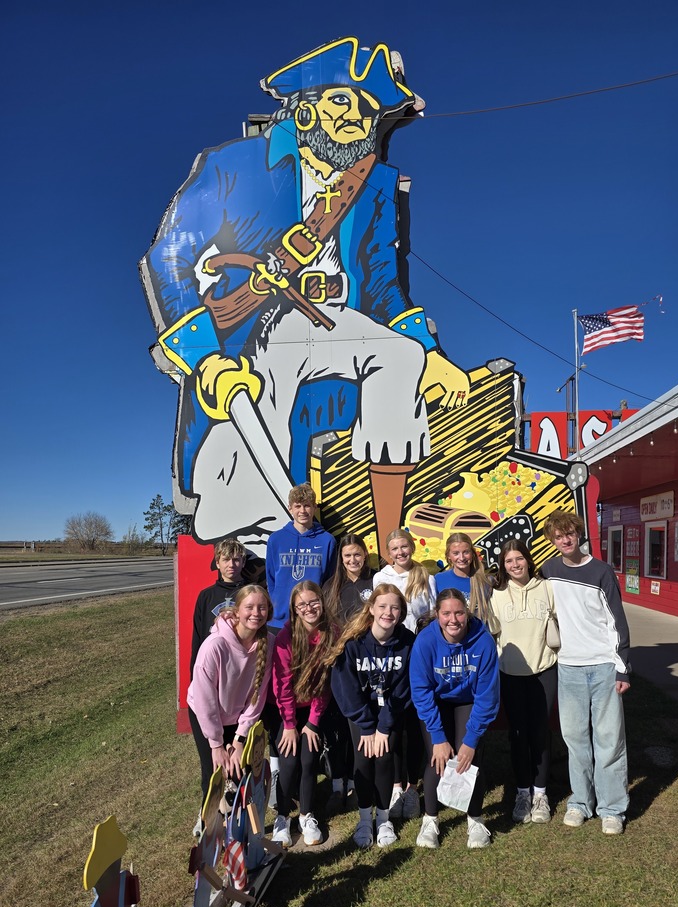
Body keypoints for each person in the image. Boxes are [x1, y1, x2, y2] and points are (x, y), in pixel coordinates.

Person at [141, 38, 470, 551]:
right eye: (341, 100)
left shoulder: (375, 185)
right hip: (260, 322)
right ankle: (257, 529)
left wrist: (429, 354)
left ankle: (387, 538)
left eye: (367, 110)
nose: (355, 118)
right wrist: (204, 357)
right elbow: (170, 257)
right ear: (306, 106)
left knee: (401, 356)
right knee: (268, 383)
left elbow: (382, 282)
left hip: (335, 317)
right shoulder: (235, 164)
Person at [540, 511, 631, 835]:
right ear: (552, 540)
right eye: (558, 536)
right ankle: (580, 802)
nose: (565, 540)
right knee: (575, 739)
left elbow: (617, 621)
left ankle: (612, 809)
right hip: (568, 668)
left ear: (578, 534)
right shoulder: (548, 571)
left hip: (603, 666)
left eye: (569, 534)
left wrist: (622, 667)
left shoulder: (601, 571)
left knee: (609, 740)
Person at [409, 589, 500, 849]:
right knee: (437, 758)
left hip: (468, 700)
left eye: (459, 613)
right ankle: (431, 819)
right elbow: (421, 691)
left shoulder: (483, 641)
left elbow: (487, 696)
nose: (453, 620)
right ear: (437, 614)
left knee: (469, 758)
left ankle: (475, 819)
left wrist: (471, 740)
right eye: (446, 613)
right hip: (437, 700)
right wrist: (438, 737)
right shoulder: (425, 641)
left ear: (467, 613)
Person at [328, 585, 415, 848]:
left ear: (401, 613)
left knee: (385, 757)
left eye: (395, 607)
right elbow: (345, 688)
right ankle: (365, 818)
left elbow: (404, 688)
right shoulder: (353, 642)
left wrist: (384, 727)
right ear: (371, 609)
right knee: (364, 759)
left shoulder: (407, 641)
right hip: (361, 713)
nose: (388, 612)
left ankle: (384, 819)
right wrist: (367, 727)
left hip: (390, 711)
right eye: (383, 606)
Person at [490, 539, 558, 825]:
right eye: (509, 561)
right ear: (503, 566)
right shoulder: (496, 594)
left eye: (519, 558)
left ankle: (540, 794)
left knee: (540, 732)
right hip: (510, 674)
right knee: (518, 734)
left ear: (528, 560)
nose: (515, 564)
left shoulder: (547, 588)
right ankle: (522, 792)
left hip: (544, 670)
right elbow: (491, 632)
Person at [187, 585, 274, 804]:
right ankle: (207, 818)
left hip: (237, 716)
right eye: (249, 607)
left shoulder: (268, 643)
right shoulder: (214, 645)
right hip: (206, 713)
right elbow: (205, 700)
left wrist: (240, 738)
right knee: (214, 772)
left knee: (239, 770)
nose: (256, 613)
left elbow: (257, 695)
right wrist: (216, 744)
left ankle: (235, 819)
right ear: (237, 610)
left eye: (262, 607)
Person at [373, 528, 437, 818]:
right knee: (394, 721)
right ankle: (396, 785)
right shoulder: (381, 577)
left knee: (415, 723)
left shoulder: (426, 577)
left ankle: (412, 786)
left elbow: (433, 616)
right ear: (389, 553)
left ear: (412, 547)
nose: (400, 552)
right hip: (391, 654)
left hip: (418, 655)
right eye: (395, 549)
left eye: (404, 547)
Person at [270, 581, 336, 847]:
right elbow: (282, 686)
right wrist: (289, 725)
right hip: (285, 711)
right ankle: (282, 817)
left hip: (312, 710)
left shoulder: (330, 633)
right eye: (302, 605)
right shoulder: (286, 638)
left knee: (308, 760)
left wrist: (312, 723)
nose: (309, 608)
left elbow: (324, 685)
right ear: (294, 609)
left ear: (322, 602)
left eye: (314, 602)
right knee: (288, 762)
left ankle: (307, 816)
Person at [322, 533, 376, 809]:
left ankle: (357, 782)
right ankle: (337, 783)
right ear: (341, 560)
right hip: (341, 664)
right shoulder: (331, 586)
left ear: (365, 554)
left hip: (370, 663)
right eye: (347, 556)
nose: (353, 560)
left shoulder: (375, 581)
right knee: (337, 726)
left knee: (360, 724)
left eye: (357, 554)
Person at [266, 483, 336, 631]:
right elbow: (271, 578)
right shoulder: (276, 539)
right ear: (290, 508)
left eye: (307, 506)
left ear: (314, 507)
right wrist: (277, 604)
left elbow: (330, 581)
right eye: (297, 506)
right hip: (280, 620)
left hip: (312, 618)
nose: (302, 511)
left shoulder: (327, 541)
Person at [190, 538, 247, 676]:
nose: (231, 565)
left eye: (236, 560)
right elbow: (198, 636)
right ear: (217, 563)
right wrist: (195, 675)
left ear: (243, 562)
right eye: (225, 559)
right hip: (212, 662)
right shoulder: (206, 596)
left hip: (243, 662)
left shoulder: (252, 593)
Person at [434, 532, 497, 631]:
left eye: (466, 552)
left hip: (479, 637)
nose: (462, 558)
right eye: (456, 553)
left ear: (472, 553)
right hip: (451, 637)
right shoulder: (439, 579)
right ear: (448, 555)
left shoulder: (487, 581)